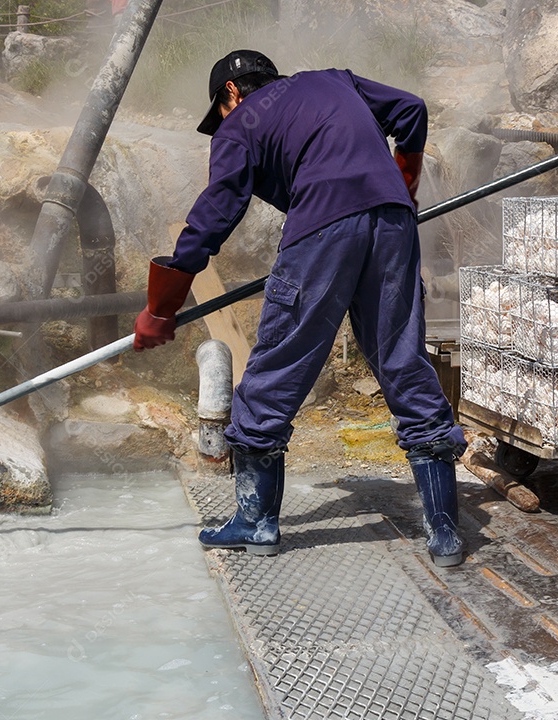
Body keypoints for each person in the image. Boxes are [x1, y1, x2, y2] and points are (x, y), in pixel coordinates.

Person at [132, 50, 469, 567]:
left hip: (321, 230)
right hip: (394, 226)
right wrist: (404, 182)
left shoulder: (239, 124)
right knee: (403, 361)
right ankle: (444, 532)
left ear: (231, 93)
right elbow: (411, 110)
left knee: (278, 366)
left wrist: (161, 306)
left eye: (219, 109)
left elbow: (217, 212)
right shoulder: (335, 80)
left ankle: (256, 522)